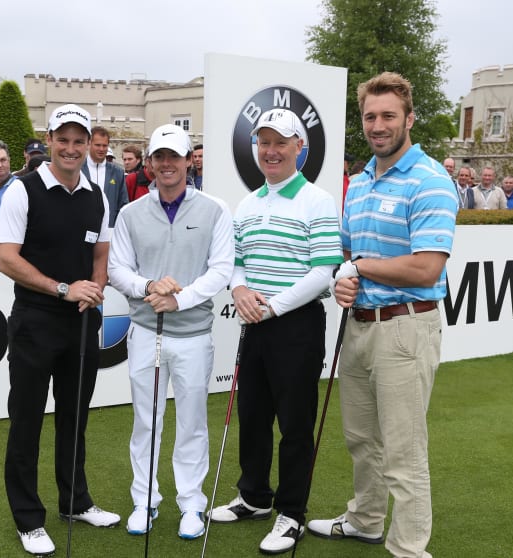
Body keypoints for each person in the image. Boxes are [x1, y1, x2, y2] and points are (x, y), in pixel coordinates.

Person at [308, 72, 456, 558]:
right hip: (360, 327)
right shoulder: (360, 181)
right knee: (361, 440)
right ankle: (366, 520)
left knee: (403, 452)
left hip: (406, 327)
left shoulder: (431, 179)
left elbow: (426, 266)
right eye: (370, 116)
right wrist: (343, 276)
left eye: (388, 115)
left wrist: (360, 267)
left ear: (409, 119)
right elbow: (345, 253)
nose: (378, 124)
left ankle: (409, 548)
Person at [207, 108, 343, 555]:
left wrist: (272, 307)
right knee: (253, 414)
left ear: (298, 149)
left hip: (296, 325)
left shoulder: (318, 201)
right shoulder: (248, 203)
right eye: (264, 142)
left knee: (296, 423)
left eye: (281, 142)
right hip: (256, 322)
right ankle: (254, 497)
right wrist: (240, 289)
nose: (271, 151)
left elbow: (324, 270)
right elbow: (237, 260)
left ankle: (291, 513)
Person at [0, 104, 120, 556]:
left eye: (78, 141)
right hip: (34, 321)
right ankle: (29, 518)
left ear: (89, 144)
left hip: (82, 322)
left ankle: (74, 501)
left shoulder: (95, 195)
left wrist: (94, 290)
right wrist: (64, 288)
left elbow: (101, 256)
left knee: (75, 417)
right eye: (62, 140)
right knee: (26, 420)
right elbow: (6, 258)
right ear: (49, 140)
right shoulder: (22, 190)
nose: (70, 148)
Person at [108, 124, 234, 539]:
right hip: (147, 331)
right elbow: (117, 270)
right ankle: (145, 501)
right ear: (149, 164)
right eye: (159, 157)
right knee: (147, 421)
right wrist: (149, 287)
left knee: (193, 422)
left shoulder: (215, 209)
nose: (166, 164)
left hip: (193, 333)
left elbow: (221, 270)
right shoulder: (129, 214)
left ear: (188, 162)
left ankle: (191, 504)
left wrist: (178, 299)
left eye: (174, 157)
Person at [82, 125, 127, 227]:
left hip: (109, 232)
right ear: (89, 144)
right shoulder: (77, 169)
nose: (101, 149)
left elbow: (123, 205)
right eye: (97, 145)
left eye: (105, 145)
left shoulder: (118, 172)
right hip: (80, 232)